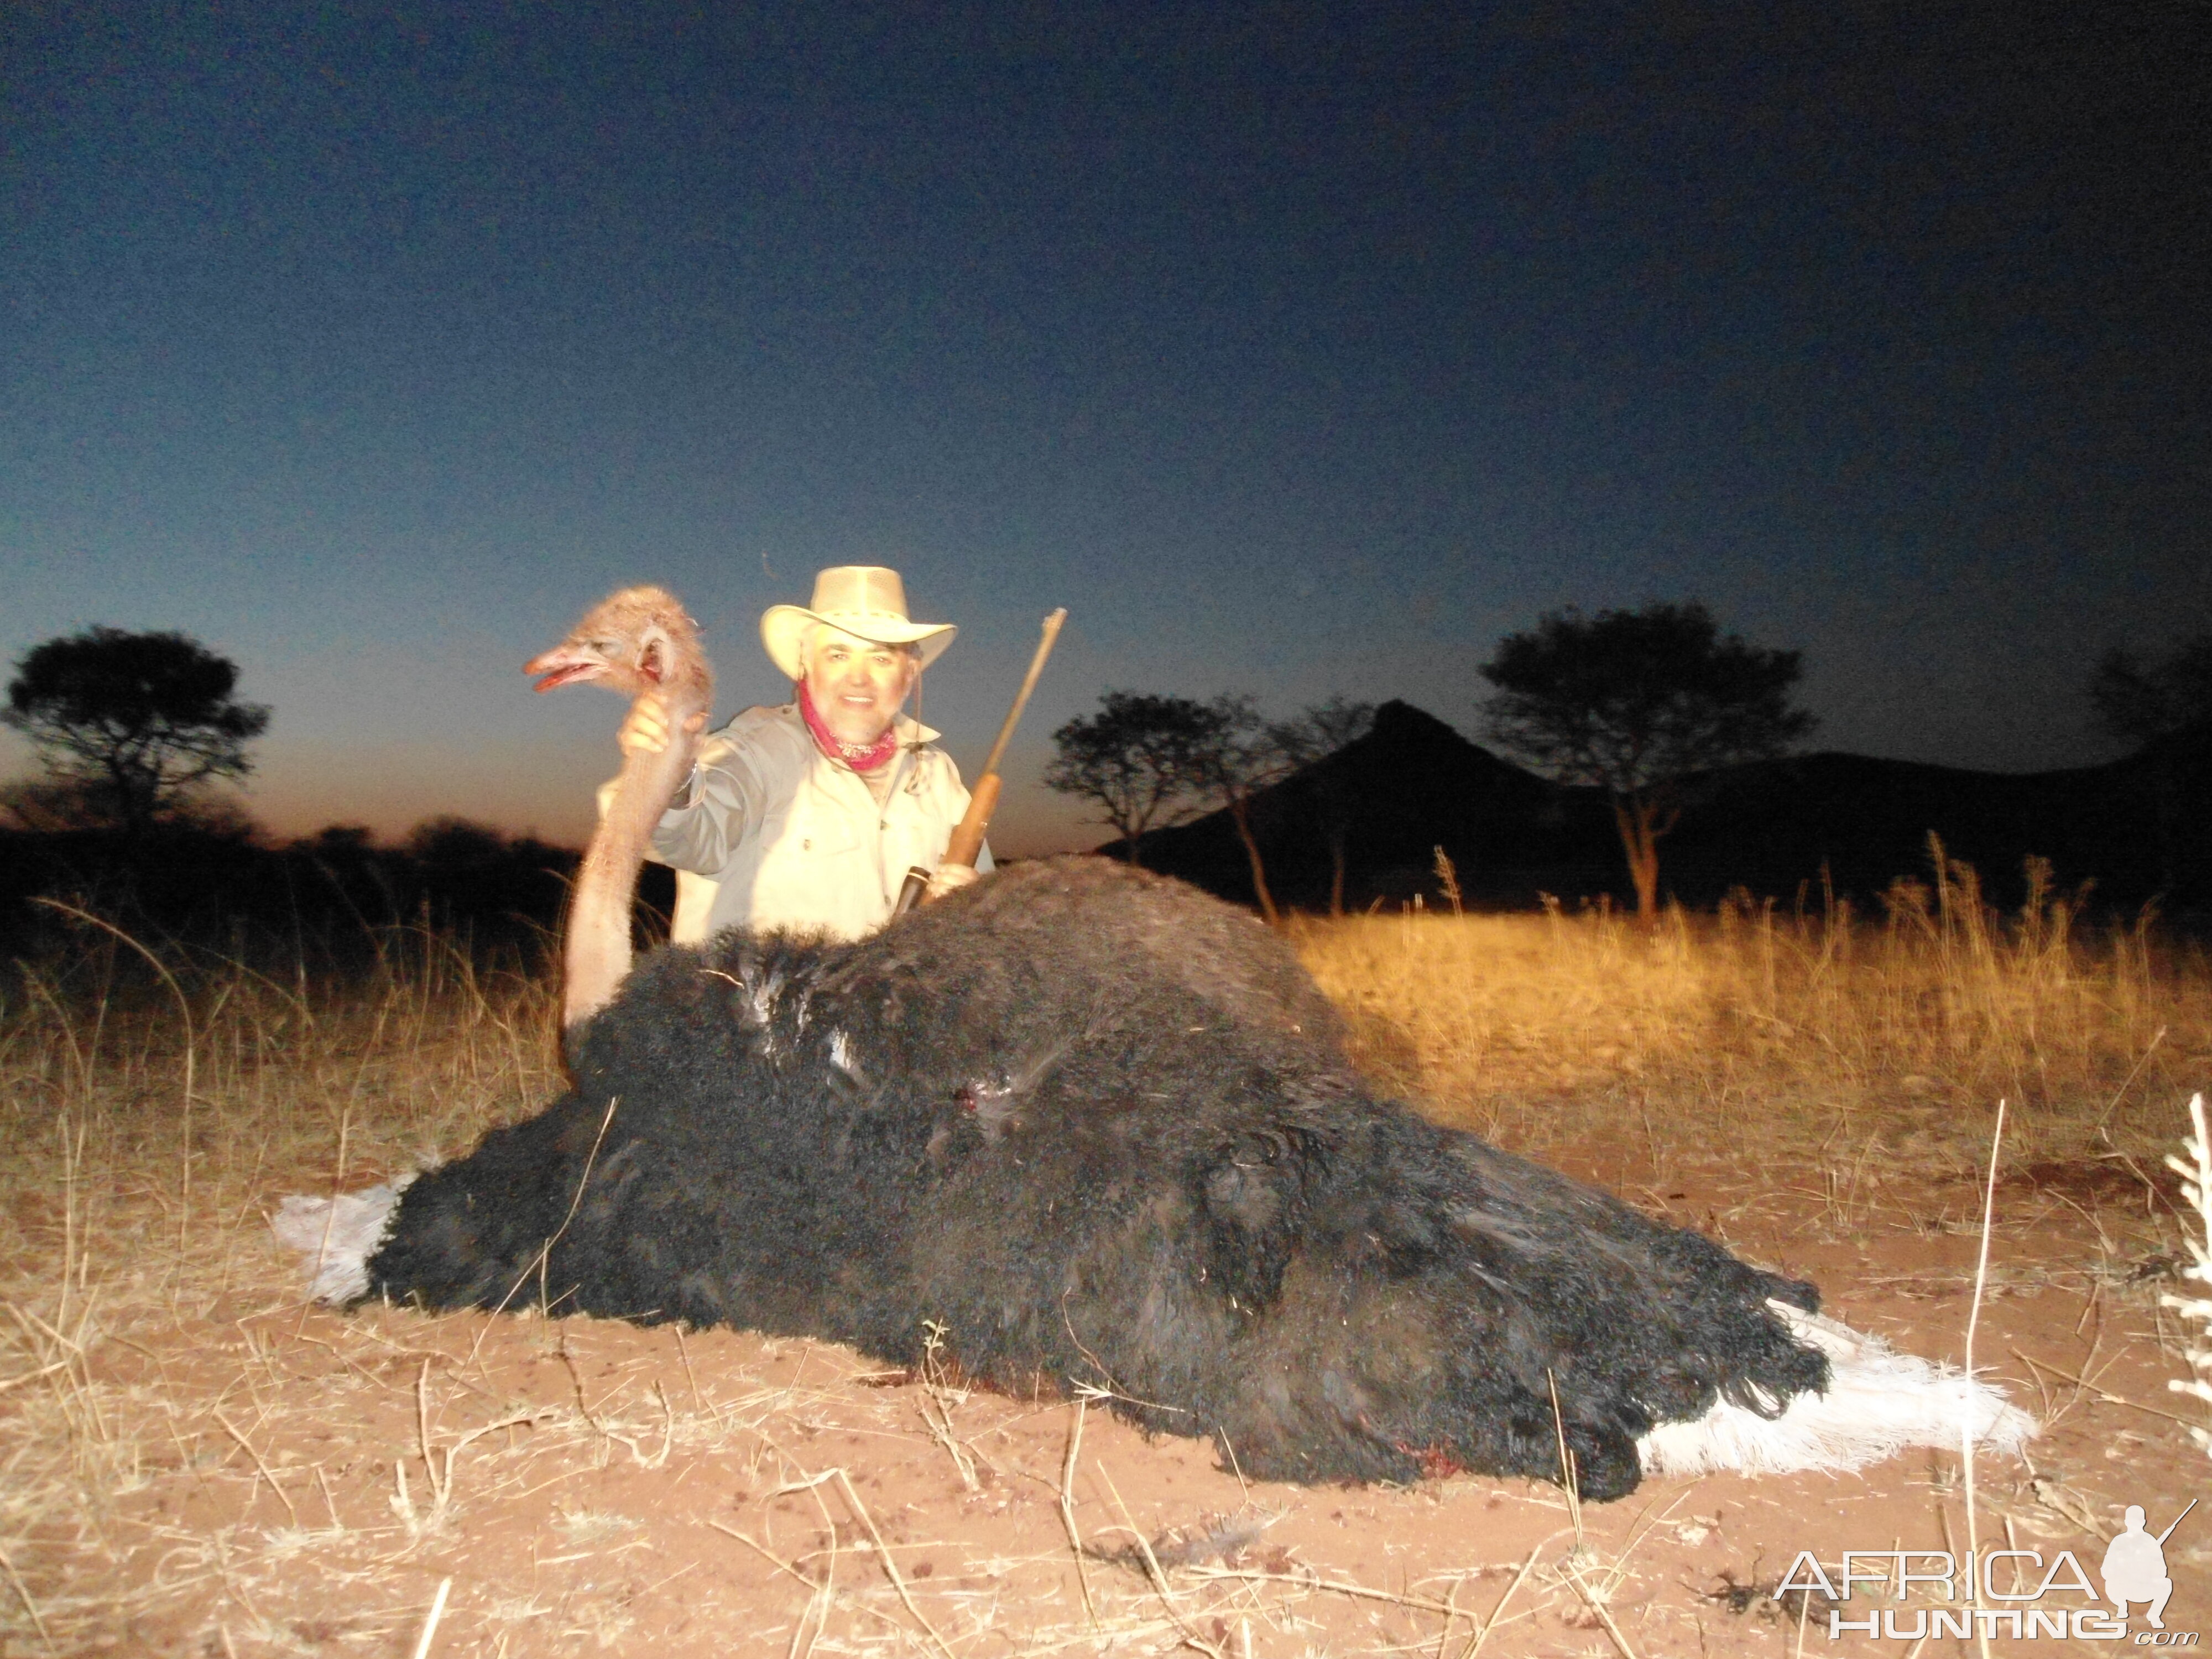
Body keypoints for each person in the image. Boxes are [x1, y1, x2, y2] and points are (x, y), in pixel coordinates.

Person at [611, 566, 987, 943]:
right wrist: (670, 775)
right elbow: (687, 840)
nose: (859, 677)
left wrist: (974, 904)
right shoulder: (755, 751)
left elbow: (988, 907)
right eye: (838, 655)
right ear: (806, 664)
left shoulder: (940, 776)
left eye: (882, 658)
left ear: (910, 673)